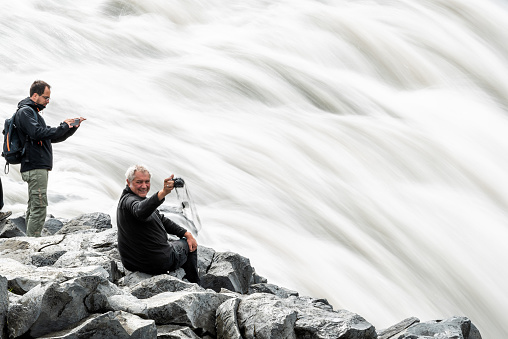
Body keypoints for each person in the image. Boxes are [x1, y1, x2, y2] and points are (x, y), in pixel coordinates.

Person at [16, 80, 85, 236]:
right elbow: (38, 133)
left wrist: (69, 129)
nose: (47, 102)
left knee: (34, 205)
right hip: (34, 165)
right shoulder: (26, 112)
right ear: (35, 95)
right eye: (45, 98)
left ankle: (29, 240)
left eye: (49, 98)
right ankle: (33, 242)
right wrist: (63, 127)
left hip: (35, 165)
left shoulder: (32, 113)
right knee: (39, 206)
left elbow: (48, 137)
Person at [117, 164, 200, 284]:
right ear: (128, 182)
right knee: (188, 245)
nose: (144, 186)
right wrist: (163, 192)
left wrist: (186, 233)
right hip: (156, 262)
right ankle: (195, 283)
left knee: (185, 238)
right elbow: (140, 211)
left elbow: (162, 219)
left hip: (132, 262)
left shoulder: (137, 199)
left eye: (147, 182)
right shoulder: (130, 201)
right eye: (139, 182)